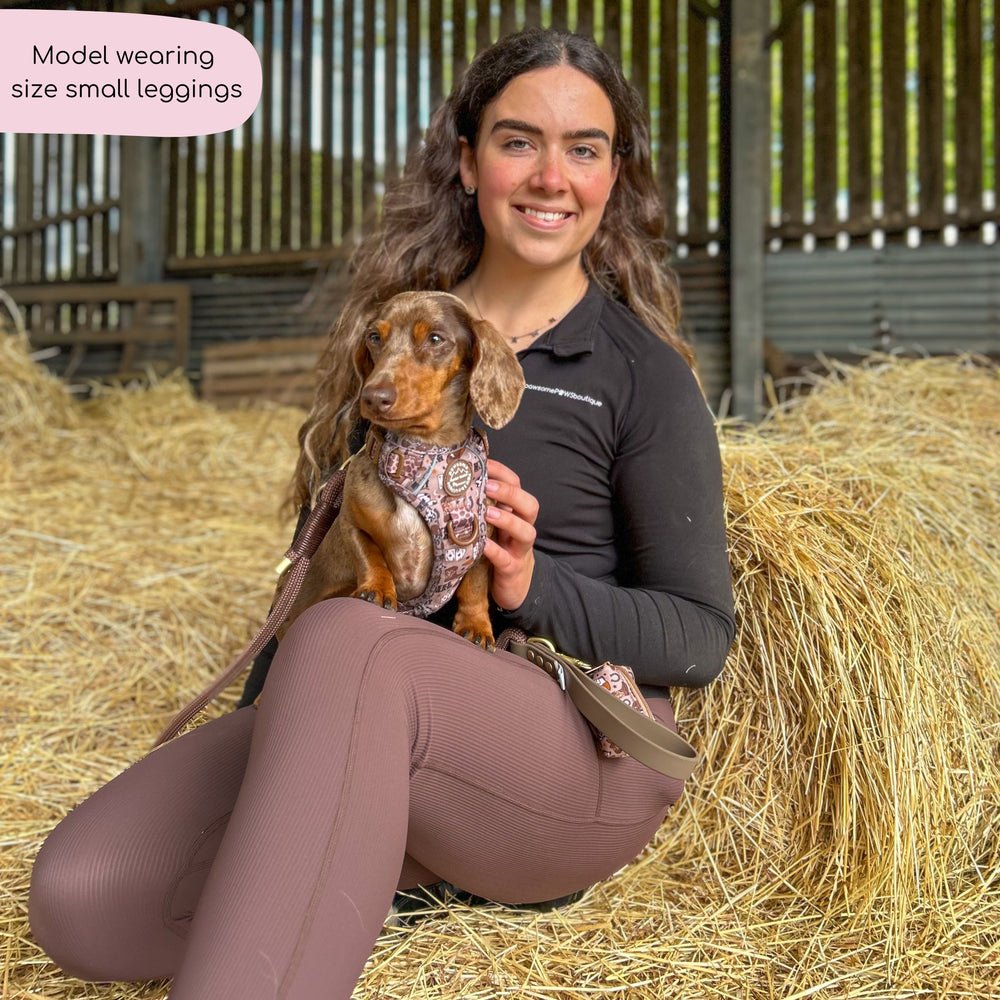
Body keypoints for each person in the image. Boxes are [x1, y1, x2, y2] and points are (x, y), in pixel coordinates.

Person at [29, 27, 735, 1000]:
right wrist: (278, 762)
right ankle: (385, 854)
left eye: (584, 147)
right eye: (517, 139)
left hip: (570, 748)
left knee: (356, 645)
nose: (550, 175)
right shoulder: (390, 344)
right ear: (466, 159)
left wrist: (537, 585)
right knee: (86, 895)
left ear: (616, 174)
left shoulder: (639, 376)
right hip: (363, 706)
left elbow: (699, 635)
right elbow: (316, 580)